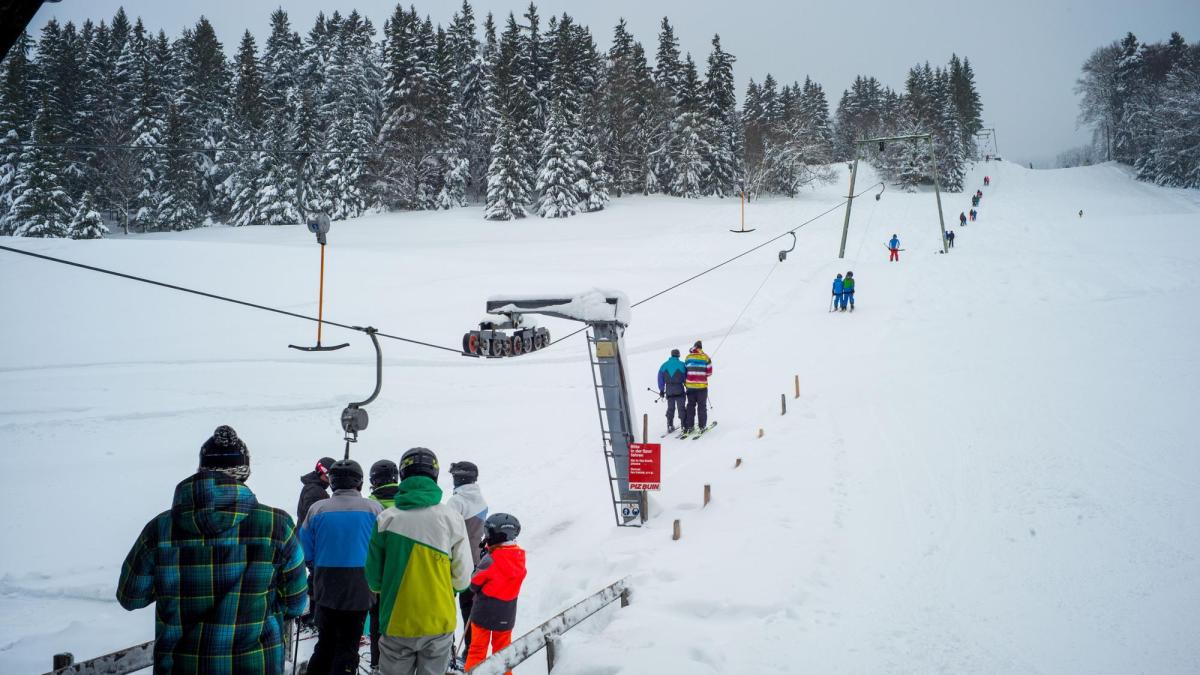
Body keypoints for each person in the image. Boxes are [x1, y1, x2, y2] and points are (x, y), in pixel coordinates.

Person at [116, 425, 308, 673]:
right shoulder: (277, 526)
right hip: (255, 665)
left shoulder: (160, 529)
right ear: (245, 472)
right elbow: (295, 603)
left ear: (201, 469)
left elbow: (130, 597)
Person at [367, 448, 471, 675]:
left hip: (396, 619)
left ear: (403, 475)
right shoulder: (451, 517)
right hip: (438, 619)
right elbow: (463, 578)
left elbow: (374, 580)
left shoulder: (386, 519)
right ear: (434, 475)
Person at [300, 459, 383, 675]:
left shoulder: (317, 509)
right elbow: (384, 547)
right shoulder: (374, 509)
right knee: (348, 644)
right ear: (360, 483)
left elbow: (306, 550)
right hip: (360, 586)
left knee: (325, 643)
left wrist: (316, 566)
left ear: (333, 482)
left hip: (326, 585)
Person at [463, 514, 527, 675]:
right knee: (503, 652)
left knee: (477, 650)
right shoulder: (520, 557)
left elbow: (474, 583)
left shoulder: (490, 559)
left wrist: (484, 558)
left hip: (484, 613)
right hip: (507, 612)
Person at [446, 461, 489, 661]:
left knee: (446, 605)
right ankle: (471, 649)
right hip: (476, 559)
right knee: (469, 607)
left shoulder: (457, 501)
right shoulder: (479, 498)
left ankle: (448, 649)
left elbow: (447, 532)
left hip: (457, 559)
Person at [368, 459, 401, 672]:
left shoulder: (369, 505)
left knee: (376, 619)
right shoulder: (404, 503)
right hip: (401, 571)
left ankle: (376, 661)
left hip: (375, 576)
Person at [682, 341, 713, 434]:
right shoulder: (706, 357)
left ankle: (690, 426)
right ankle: (702, 426)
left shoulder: (688, 357)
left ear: (694, 347)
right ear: (701, 348)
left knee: (690, 406)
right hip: (702, 387)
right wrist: (702, 375)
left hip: (690, 386)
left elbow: (685, 371)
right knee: (701, 406)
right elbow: (709, 373)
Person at [298, 456, 337, 525]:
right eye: (328, 475)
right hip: (310, 534)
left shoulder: (313, 487)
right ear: (320, 472)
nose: (331, 479)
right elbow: (314, 519)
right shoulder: (315, 491)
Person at [656, 349, 687, 433]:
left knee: (670, 408)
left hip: (669, 391)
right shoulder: (682, 365)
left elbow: (660, 379)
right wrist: (688, 387)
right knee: (681, 408)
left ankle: (670, 425)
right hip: (679, 389)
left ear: (671, 355)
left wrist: (662, 390)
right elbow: (686, 378)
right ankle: (684, 425)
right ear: (678, 355)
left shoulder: (664, 365)